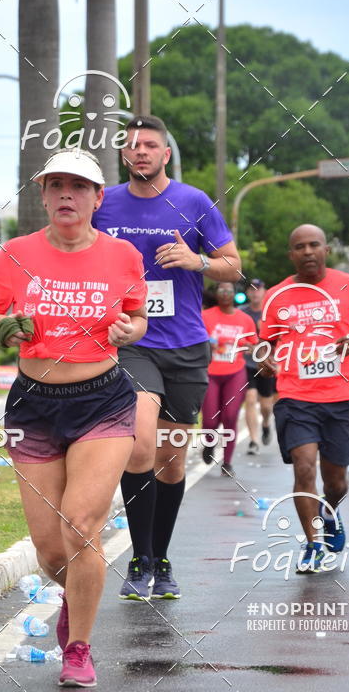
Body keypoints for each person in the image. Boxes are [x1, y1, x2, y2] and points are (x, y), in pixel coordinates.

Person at [0, 149, 148, 686]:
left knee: (81, 525)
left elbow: (136, 317)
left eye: (78, 186)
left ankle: (79, 648)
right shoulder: (16, 252)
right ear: (43, 197)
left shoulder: (122, 256)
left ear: (97, 198)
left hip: (103, 401)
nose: (66, 194)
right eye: (56, 186)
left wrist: (128, 332)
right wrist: (1, 328)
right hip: (33, 405)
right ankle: (75, 598)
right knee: (50, 548)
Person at [93, 114, 241, 600]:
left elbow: (233, 268)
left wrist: (197, 260)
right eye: (132, 146)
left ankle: (160, 556)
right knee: (139, 445)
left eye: (150, 145)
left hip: (185, 346)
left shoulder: (194, 202)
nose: (141, 152)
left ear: (165, 153)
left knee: (171, 461)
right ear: (123, 155)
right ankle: (138, 558)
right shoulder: (104, 203)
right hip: (131, 344)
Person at [259, 224, 349, 573]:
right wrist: (265, 359)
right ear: (291, 255)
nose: (308, 251)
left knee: (336, 482)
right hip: (295, 396)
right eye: (300, 247)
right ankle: (313, 544)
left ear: (326, 250)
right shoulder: (278, 294)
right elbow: (264, 343)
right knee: (303, 467)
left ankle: (330, 511)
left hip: (342, 397)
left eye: (314, 245)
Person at [201, 282, 258, 477]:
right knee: (210, 420)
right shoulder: (205, 316)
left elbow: (254, 345)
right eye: (221, 290)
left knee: (230, 416)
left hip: (235, 372)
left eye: (229, 290)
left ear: (235, 294)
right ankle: (209, 444)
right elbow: (196, 340)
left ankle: (227, 462)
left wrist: (249, 348)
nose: (225, 294)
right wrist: (209, 345)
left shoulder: (245, 319)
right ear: (216, 293)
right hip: (210, 373)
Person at [242, 278, 276, 454]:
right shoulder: (241, 313)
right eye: (252, 289)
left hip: (266, 364)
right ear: (248, 292)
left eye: (259, 289)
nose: (255, 292)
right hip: (247, 364)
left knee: (266, 406)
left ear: (265, 291)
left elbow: (280, 337)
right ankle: (253, 441)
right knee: (250, 399)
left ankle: (266, 423)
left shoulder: (271, 313)